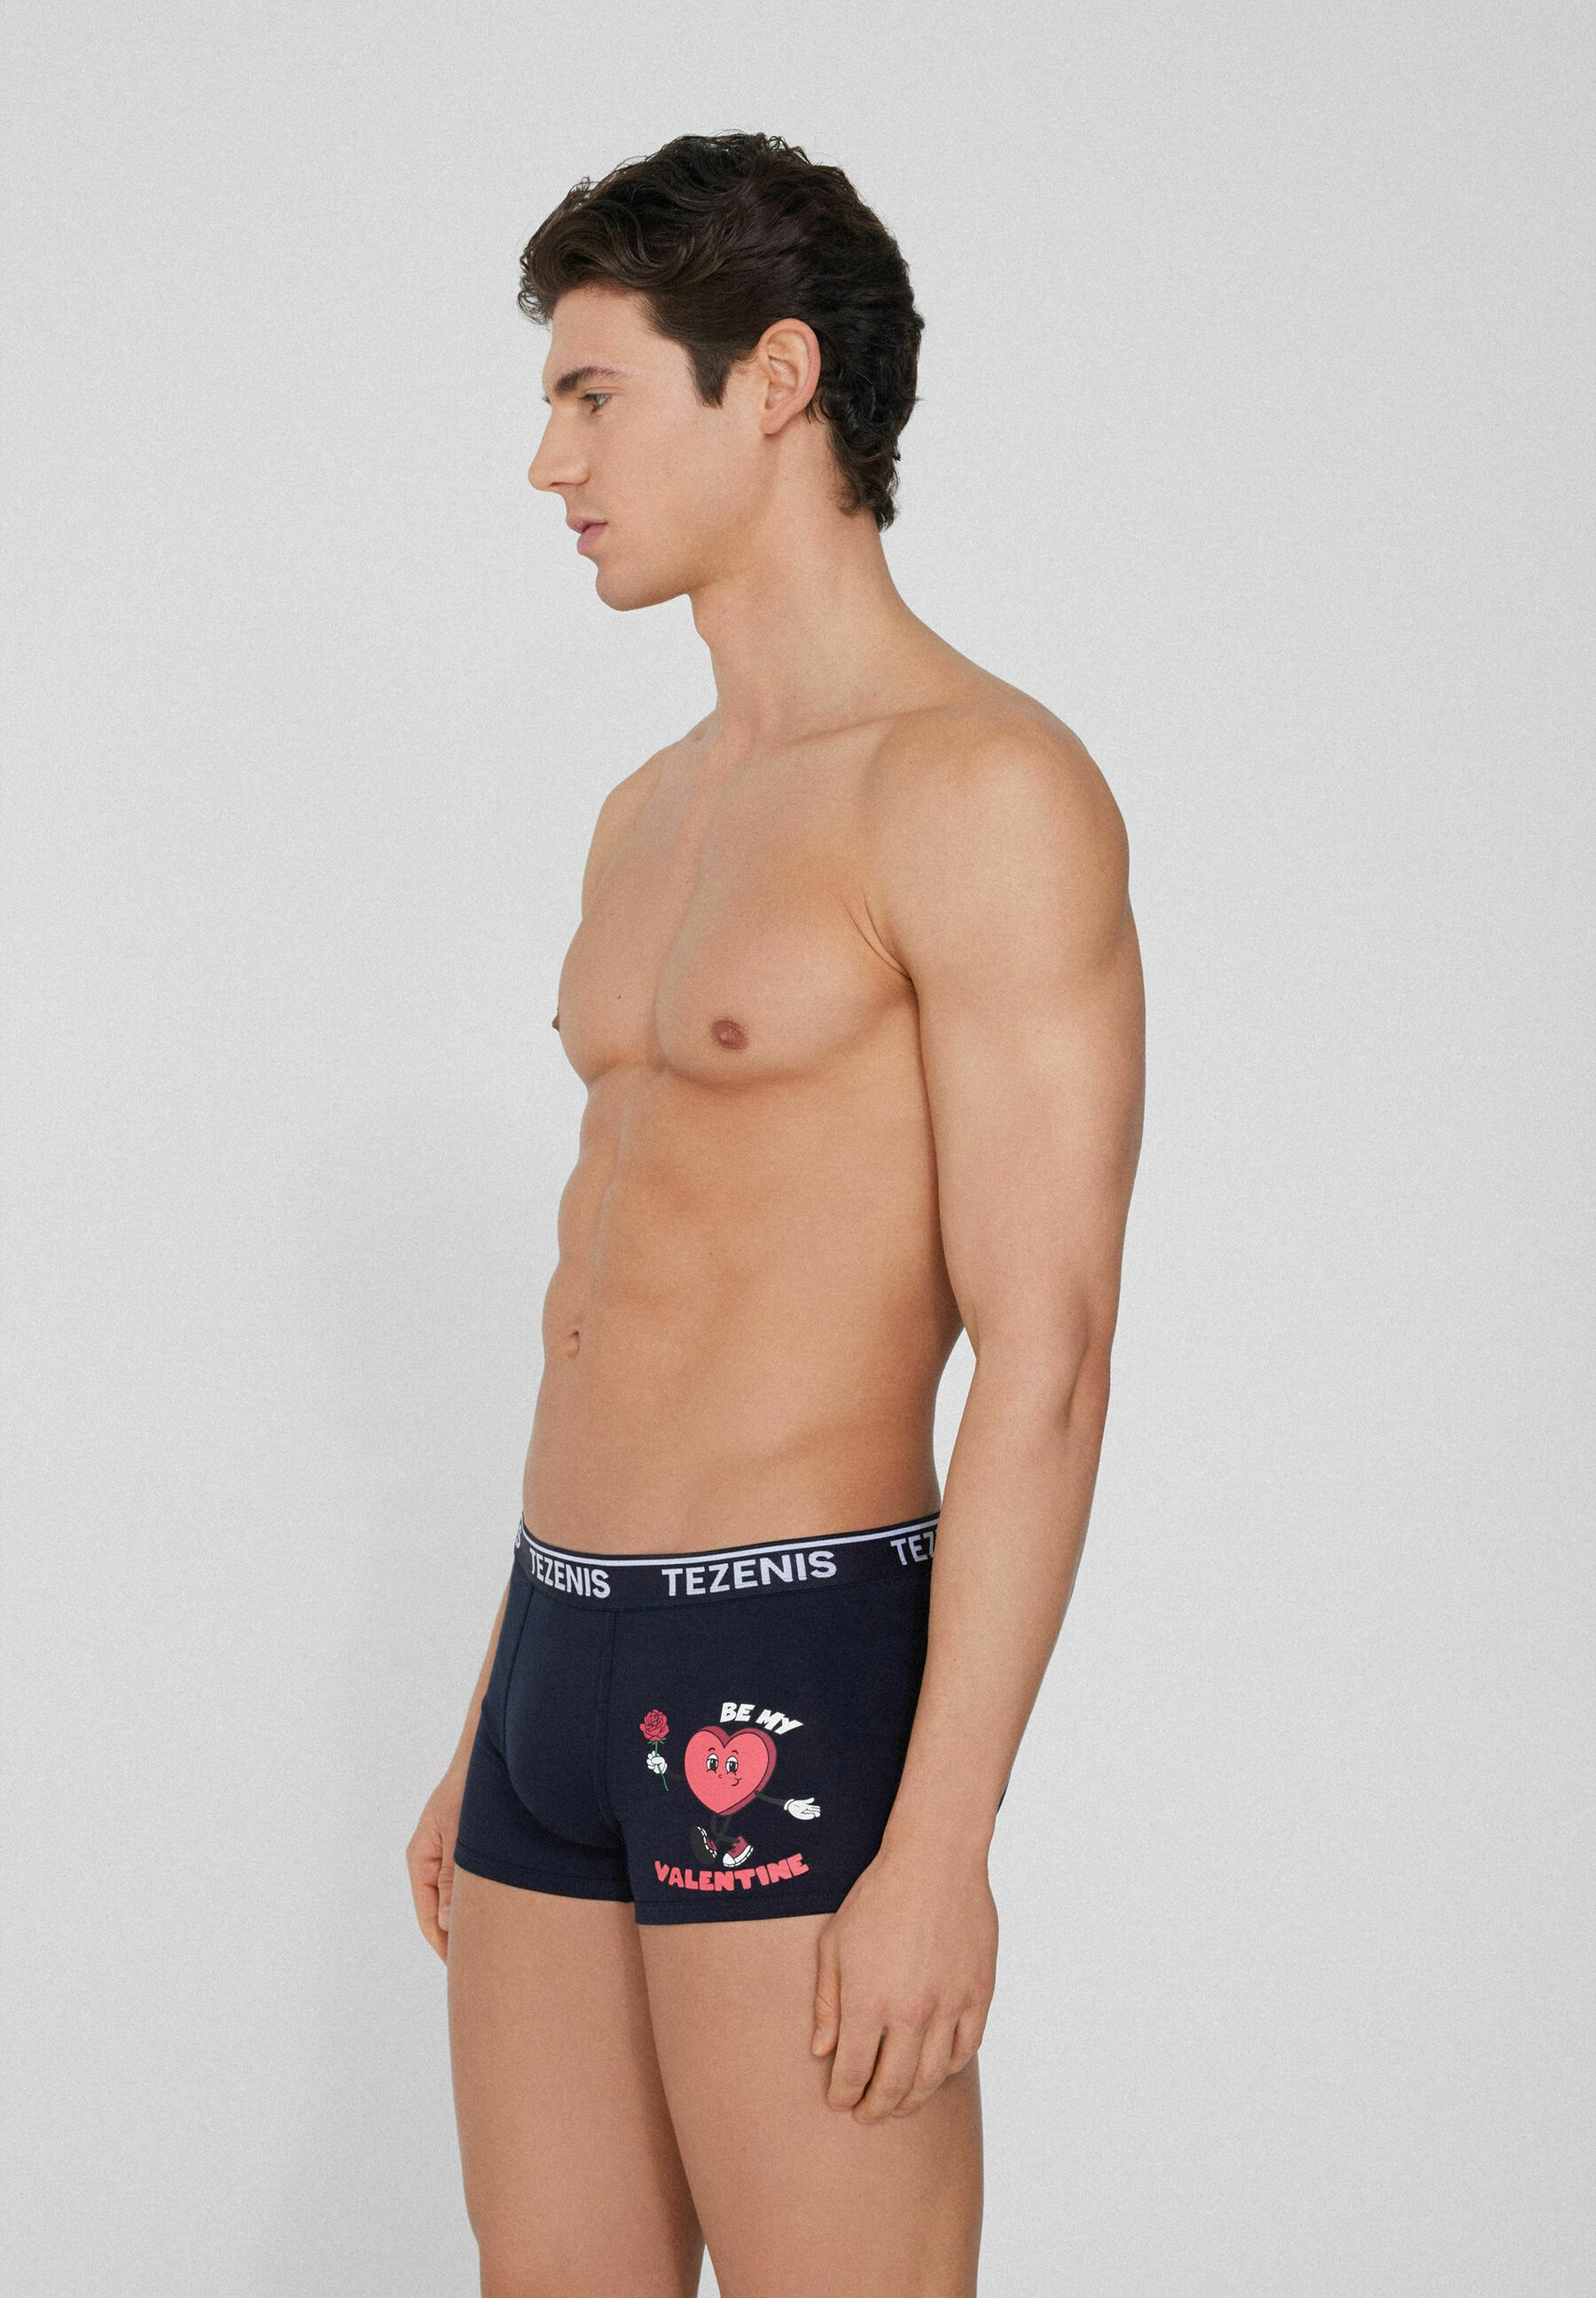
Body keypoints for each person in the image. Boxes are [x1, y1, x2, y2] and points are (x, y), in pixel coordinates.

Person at [406, 129, 1145, 2298]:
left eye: (594, 393)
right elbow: (612, 1293)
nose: (550, 462)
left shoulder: (979, 789)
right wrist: (492, 1713)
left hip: (794, 1650)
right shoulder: (647, 814)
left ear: (781, 380)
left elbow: (1049, 1353)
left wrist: (945, 1843)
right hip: (553, 1651)